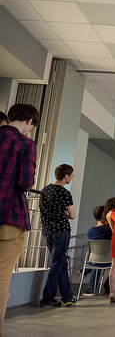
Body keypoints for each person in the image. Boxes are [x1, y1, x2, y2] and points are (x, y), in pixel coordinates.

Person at [0, 104, 39, 328]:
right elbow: (25, 182)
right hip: (10, 215)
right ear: (29, 121)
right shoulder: (25, 143)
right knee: (1, 278)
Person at [39, 164, 77, 308]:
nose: (72, 177)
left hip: (47, 231)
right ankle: (47, 299)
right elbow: (72, 215)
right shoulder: (65, 193)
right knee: (56, 265)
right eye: (71, 175)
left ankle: (67, 297)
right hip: (61, 231)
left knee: (61, 263)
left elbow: (44, 211)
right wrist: (65, 212)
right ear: (66, 176)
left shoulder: (45, 190)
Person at [83, 205, 112, 296]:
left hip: (94, 259)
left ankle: (91, 288)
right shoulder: (110, 230)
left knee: (98, 262)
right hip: (110, 259)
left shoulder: (91, 231)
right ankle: (109, 283)